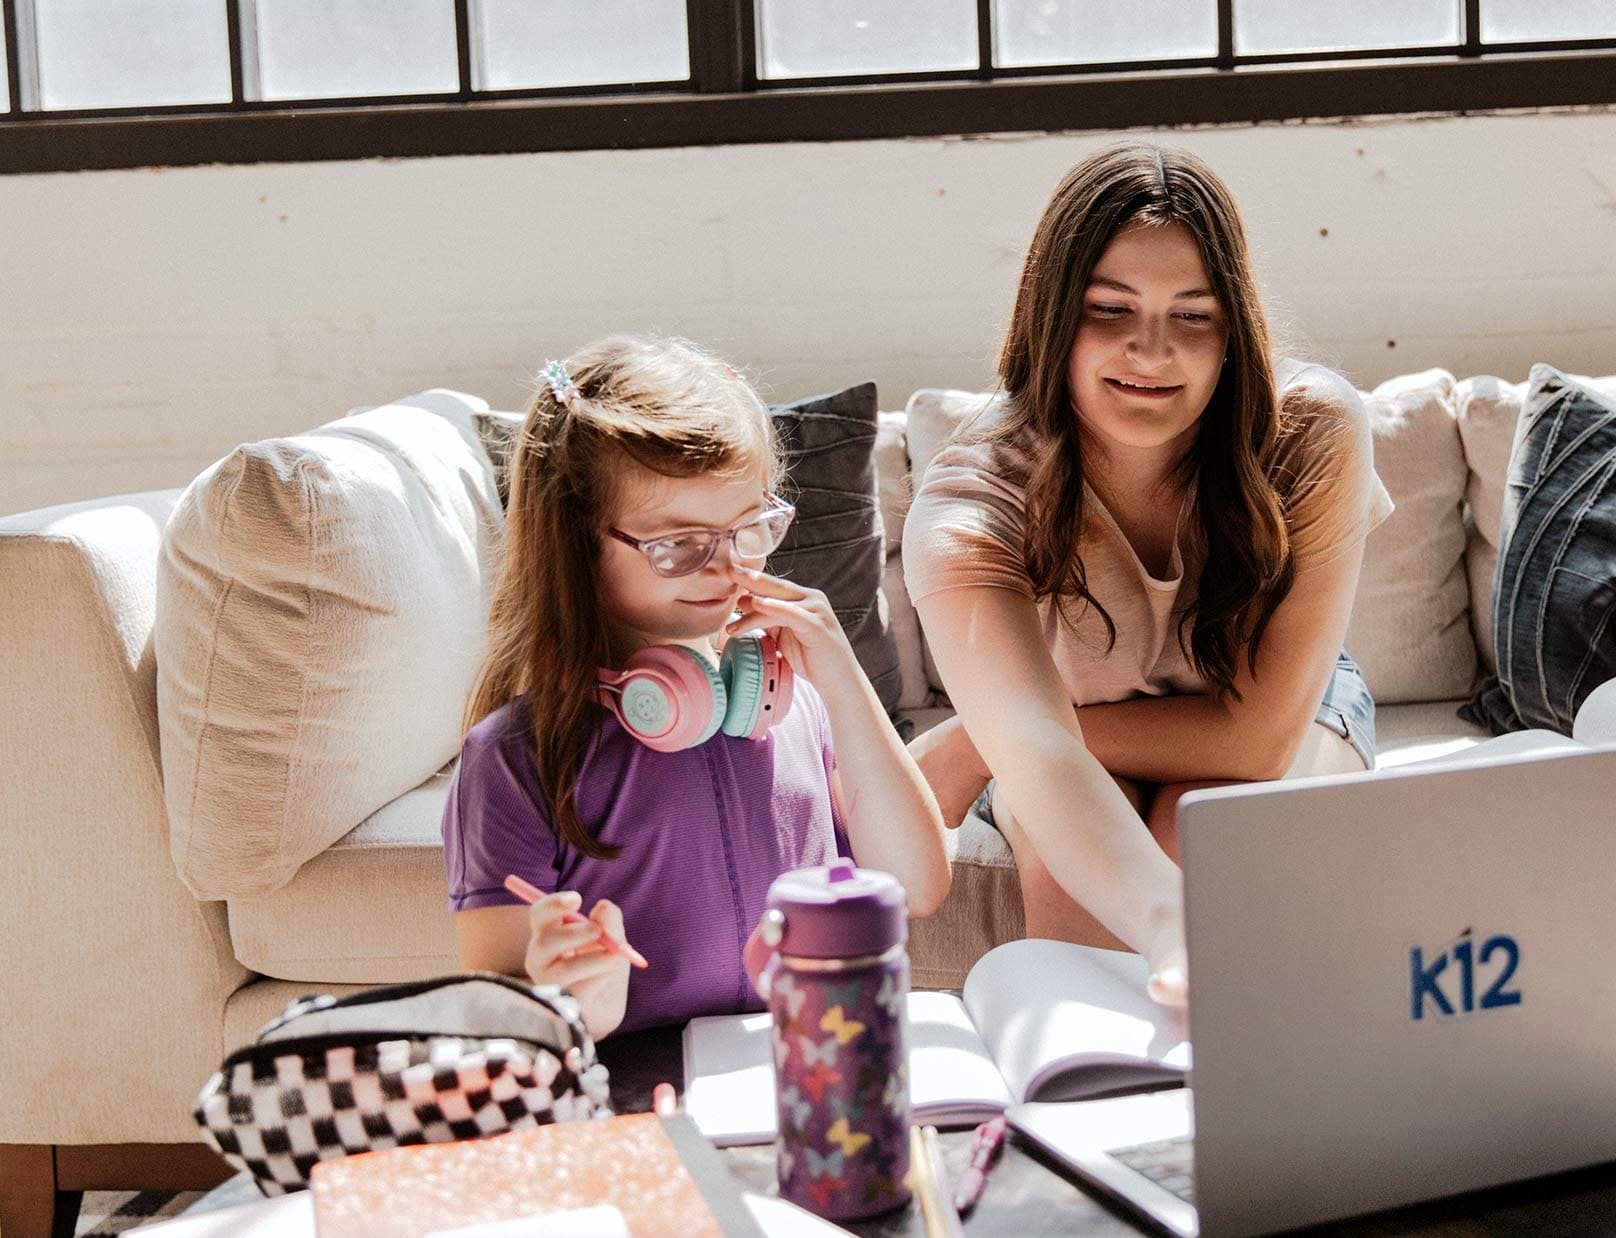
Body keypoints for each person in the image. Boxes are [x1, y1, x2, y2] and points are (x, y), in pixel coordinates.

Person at [903, 143, 1392, 1002]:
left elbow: (1258, 737)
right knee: (1080, 879)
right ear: (1052, 310)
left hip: (1269, 708)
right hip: (1054, 733)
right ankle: (1101, 1117)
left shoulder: (1313, 430)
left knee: (1207, 826)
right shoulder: (972, 501)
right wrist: (1016, 741)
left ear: (1234, 326)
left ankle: (1268, 1118)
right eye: (1109, 306)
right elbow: (1044, 753)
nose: (1152, 349)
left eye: (1194, 315)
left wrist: (979, 739)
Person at [444, 335, 950, 1041]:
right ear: (578, 542)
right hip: (637, 1087)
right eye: (679, 545)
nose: (724, 569)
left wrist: (844, 684)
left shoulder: (792, 702)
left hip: (804, 1067)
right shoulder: (515, 756)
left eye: (748, 529)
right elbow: (497, 1017)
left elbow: (919, 886)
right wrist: (569, 999)